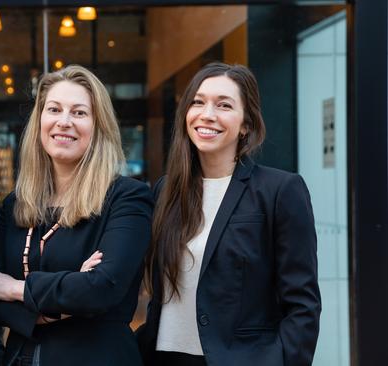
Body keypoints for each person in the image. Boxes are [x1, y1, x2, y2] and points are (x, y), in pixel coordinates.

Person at [137, 62, 321, 366]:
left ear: (246, 123)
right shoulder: (166, 191)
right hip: (165, 357)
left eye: (224, 105)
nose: (207, 114)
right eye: (198, 102)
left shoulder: (279, 190)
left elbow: (303, 304)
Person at [0, 65, 153, 366]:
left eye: (79, 113)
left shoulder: (127, 198)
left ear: (99, 126)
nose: (64, 122)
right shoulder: (16, 204)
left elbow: (102, 289)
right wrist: (69, 295)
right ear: (40, 121)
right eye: (54, 109)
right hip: (20, 358)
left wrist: (16, 288)